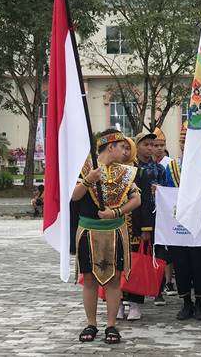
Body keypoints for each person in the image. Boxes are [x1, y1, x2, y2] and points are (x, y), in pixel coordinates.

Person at [72, 128, 141, 344]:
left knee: (113, 280)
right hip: (89, 231)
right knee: (90, 279)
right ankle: (91, 323)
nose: (125, 150)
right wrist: (88, 180)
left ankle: (111, 325)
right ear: (110, 147)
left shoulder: (125, 171)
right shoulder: (84, 167)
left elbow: (136, 199)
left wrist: (116, 212)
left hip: (114, 231)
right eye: (122, 146)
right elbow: (73, 197)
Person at [123, 131, 167, 320]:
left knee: (138, 262)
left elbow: (154, 201)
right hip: (122, 220)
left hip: (143, 223)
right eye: (145, 144)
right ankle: (119, 301)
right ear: (136, 146)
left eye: (152, 144)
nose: (149, 148)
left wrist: (147, 228)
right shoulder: (126, 169)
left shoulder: (158, 170)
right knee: (121, 262)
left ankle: (135, 302)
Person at [171, 129, 201, 322]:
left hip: (200, 224)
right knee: (181, 264)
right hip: (177, 225)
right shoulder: (171, 167)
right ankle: (186, 301)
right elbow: (165, 193)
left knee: (200, 263)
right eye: (183, 141)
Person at [153, 127, 177, 297]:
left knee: (166, 250)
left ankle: (167, 282)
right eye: (156, 145)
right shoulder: (146, 165)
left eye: (162, 145)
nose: (159, 148)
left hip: (166, 212)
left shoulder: (171, 164)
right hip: (150, 212)